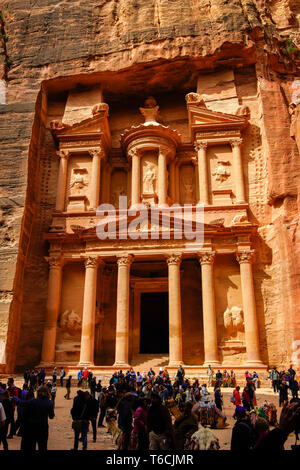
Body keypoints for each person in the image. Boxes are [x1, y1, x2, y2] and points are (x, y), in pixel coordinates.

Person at [21, 385, 55, 451]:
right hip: (43, 427)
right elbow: (51, 416)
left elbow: (23, 403)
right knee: (43, 446)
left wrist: (14, 398)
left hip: (32, 427)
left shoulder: (33, 401)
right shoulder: (50, 402)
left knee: (31, 446)